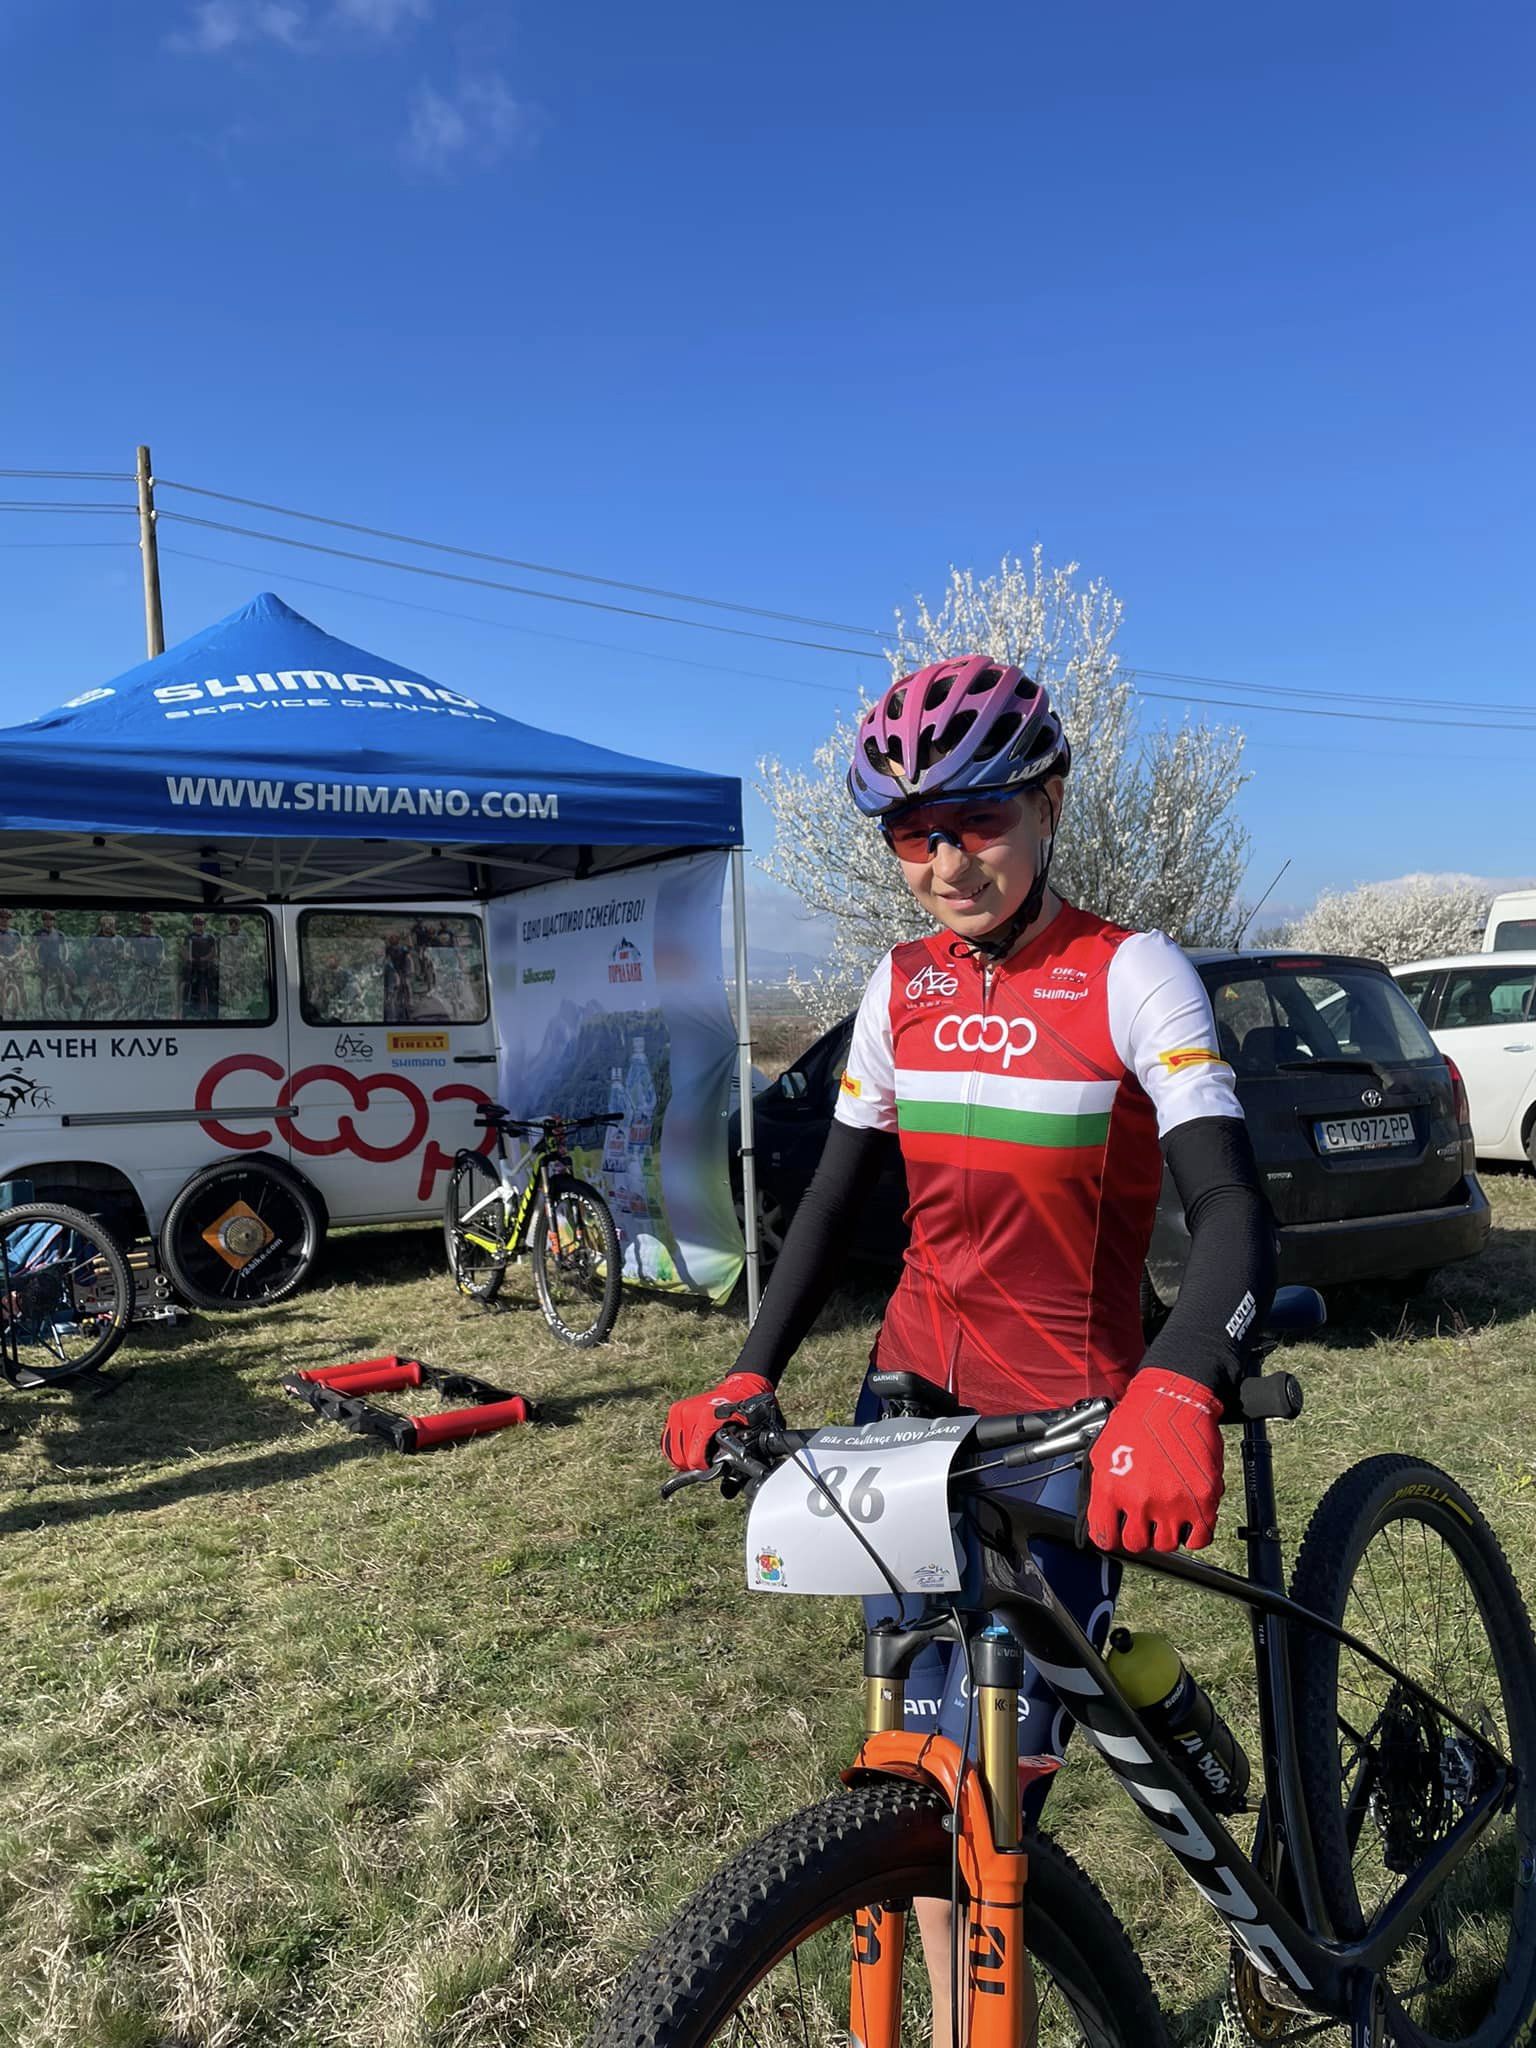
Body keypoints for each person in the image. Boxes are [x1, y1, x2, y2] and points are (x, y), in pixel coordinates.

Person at [662, 656, 1276, 2041]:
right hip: (907, 1405)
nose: (947, 862)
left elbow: (1237, 1214)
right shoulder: (901, 986)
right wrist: (751, 1367)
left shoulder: (1132, 975)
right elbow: (835, 1202)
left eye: (980, 819)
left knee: (990, 1774)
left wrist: (1178, 1384)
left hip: (1068, 1415)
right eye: (912, 832)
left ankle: (1130, 1691)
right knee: (917, 1760)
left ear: (1049, 801)